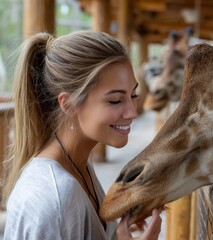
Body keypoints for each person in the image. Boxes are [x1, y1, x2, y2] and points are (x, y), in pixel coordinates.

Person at [2, 31, 162, 240]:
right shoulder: (55, 197)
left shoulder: (79, 163)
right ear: (68, 104)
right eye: (115, 100)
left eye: (133, 95)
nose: (133, 112)